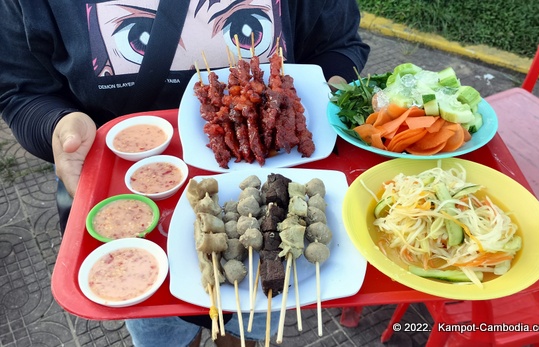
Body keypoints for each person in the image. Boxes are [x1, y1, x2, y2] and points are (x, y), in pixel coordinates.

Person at [0, 0, 369, 346]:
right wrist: (57, 125)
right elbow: (22, 89)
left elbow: (338, 45)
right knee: (162, 333)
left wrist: (332, 98)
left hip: (285, 182)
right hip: (135, 212)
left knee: (250, 319)